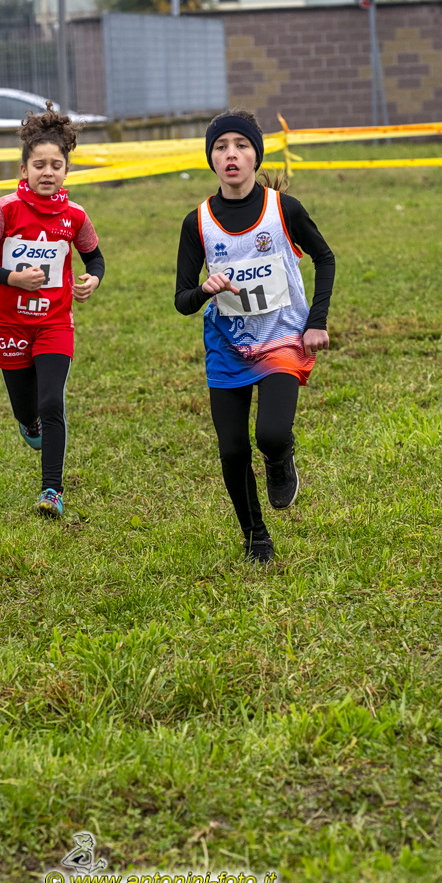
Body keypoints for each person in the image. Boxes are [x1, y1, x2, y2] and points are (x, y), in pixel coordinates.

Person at [174, 109, 335, 564]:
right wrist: (205, 290)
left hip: (283, 337)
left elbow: (325, 258)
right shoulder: (197, 222)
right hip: (228, 346)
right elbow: (182, 300)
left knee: (271, 434)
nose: (231, 155)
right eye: (221, 147)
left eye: (241, 146)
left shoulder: (284, 209)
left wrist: (317, 321)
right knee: (231, 449)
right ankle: (255, 536)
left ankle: (280, 459)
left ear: (255, 157)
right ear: (211, 159)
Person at [0, 105, 104, 518]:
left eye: (56, 166)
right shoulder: (4, 210)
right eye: (39, 165)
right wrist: (13, 278)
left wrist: (93, 279)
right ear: (23, 169)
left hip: (54, 323)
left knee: (51, 402)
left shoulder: (75, 216)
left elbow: (95, 259)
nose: (48, 173)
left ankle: (52, 490)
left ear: (66, 171)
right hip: (10, 323)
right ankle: (28, 423)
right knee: (27, 410)